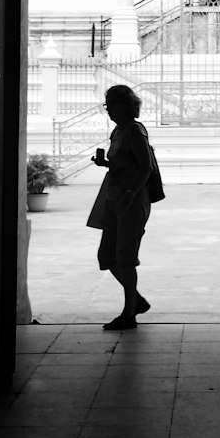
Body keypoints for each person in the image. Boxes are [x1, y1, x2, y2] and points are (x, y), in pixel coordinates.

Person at [89, 84, 152, 330]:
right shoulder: (118, 132)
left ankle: (129, 313)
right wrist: (105, 163)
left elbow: (145, 168)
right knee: (107, 256)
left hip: (131, 202)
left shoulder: (135, 132)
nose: (108, 111)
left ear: (123, 105)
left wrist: (129, 194)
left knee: (125, 258)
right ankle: (135, 301)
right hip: (115, 199)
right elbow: (124, 165)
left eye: (110, 105)